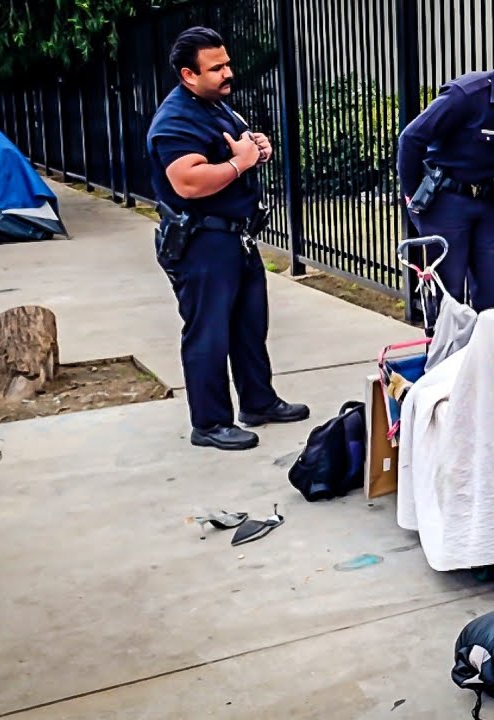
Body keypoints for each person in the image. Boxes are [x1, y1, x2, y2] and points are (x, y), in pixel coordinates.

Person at [146, 27, 309, 451]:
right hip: (201, 241)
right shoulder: (176, 120)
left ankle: (258, 401)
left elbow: (238, 148)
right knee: (209, 334)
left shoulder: (216, 106)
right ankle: (210, 422)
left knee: (249, 325)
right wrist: (240, 164)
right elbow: (187, 181)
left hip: (236, 237)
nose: (227, 72)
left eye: (227, 63)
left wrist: (257, 147)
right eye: (215, 67)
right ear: (188, 74)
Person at [396, 41, 494, 318]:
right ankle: (445, 360)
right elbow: (411, 137)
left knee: (492, 295)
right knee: (449, 296)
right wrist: (411, 193)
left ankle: (486, 359)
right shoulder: (467, 94)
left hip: (486, 203)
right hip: (446, 203)